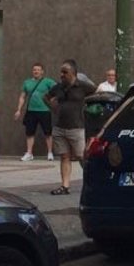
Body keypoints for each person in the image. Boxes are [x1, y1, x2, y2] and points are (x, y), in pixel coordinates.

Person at [44, 59, 96, 195]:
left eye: (65, 72)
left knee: (81, 156)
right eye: (61, 72)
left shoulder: (83, 86)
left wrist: (90, 109)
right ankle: (65, 186)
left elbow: (97, 93)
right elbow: (46, 97)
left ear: (73, 73)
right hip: (60, 127)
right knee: (64, 156)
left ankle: (92, 182)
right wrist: (53, 107)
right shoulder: (58, 87)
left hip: (77, 127)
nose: (62, 74)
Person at [15, 63, 56, 161]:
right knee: (29, 133)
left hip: (45, 110)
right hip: (31, 111)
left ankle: (50, 152)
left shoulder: (48, 81)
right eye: (34, 70)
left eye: (38, 70)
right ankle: (29, 153)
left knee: (48, 133)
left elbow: (57, 90)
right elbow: (22, 97)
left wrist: (52, 101)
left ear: (42, 71)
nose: (36, 71)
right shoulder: (27, 82)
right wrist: (19, 109)